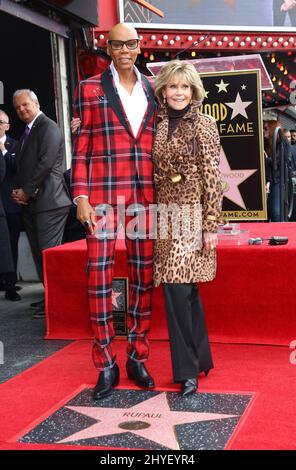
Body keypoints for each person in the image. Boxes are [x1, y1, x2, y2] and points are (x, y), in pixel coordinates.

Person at [71, 23, 157, 400]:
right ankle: (105, 363)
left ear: (139, 47)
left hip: (146, 194)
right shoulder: (89, 87)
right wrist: (81, 196)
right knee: (98, 278)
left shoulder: (155, 86)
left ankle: (138, 356)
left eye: (131, 43)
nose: (124, 49)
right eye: (117, 44)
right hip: (101, 194)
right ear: (108, 47)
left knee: (143, 276)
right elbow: (82, 145)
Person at [153, 60, 223, 397]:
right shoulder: (157, 123)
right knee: (186, 291)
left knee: (177, 290)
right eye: (172, 86)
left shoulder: (205, 123)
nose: (178, 92)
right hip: (164, 217)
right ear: (163, 90)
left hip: (192, 217)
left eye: (185, 87)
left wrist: (211, 224)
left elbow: (212, 176)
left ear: (194, 90)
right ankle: (202, 358)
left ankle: (186, 370)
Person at [12, 89, 71, 318]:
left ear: (36, 103)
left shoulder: (48, 126)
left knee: (49, 255)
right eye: (17, 108)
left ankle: (57, 303)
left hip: (50, 202)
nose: (22, 110)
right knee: (40, 255)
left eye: (25, 105)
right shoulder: (29, 130)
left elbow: (45, 163)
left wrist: (26, 191)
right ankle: (50, 297)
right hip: (35, 204)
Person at [0, 109, 22, 301]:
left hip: (9, 204)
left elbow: (17, 167)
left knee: (10, 246)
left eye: (0, 122)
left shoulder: (14, 145)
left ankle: (10, 285)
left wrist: (3, 150)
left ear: (7, 126)